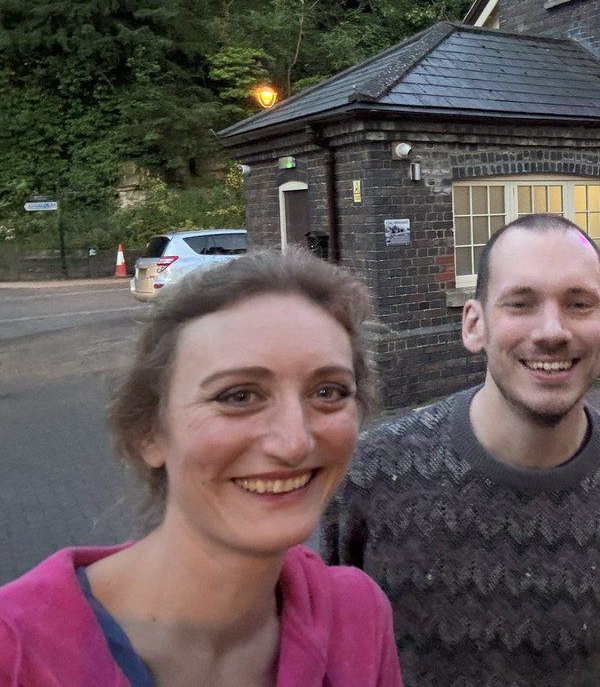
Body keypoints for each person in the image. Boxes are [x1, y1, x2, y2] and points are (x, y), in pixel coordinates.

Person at [0, 252, 403, 686]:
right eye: (239, 396)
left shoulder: (355, 614)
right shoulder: (17, 651)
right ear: (148, 432)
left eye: (328, 391)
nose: (294, 442)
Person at [322, 213, 600, 686]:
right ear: (475, 325)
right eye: (521, 304)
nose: (552, 330)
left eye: (578, 304)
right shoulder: (372, 473)